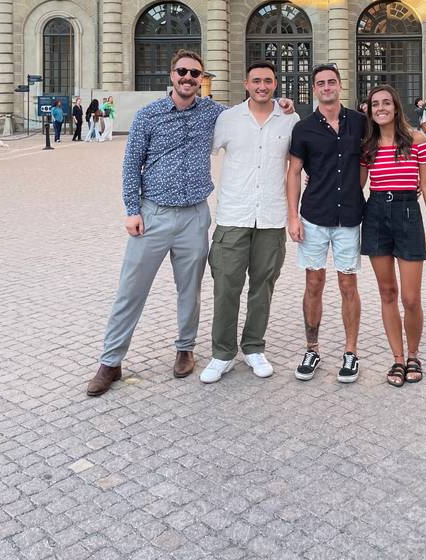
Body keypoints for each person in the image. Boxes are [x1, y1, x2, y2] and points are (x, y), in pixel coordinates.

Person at [86, 50, 294, 397]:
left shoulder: (216, 114)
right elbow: (131, 163)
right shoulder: (148, 115)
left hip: (195, 216)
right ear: (172, 74)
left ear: (202, 79)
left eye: (195, 74)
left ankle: (185, 349)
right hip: (153, 214)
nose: (188, 78)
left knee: (191, 290)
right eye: (182, 72)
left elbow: (254, 116)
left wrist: (284, 105)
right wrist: (132, 209)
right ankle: (111, 360)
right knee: (130, 290)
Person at [200, 61, 300, 384]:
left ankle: (254, 346)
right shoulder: (227, 119)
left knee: (263, 286)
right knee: (226, 285)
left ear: (275, 84)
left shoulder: (290, 119)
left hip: (271, 216)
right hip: (234, 215)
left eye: (268, 81)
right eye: (256, 81)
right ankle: (222, 353)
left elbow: (297, 167)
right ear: (246, 84)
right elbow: (204, 150)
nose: (262, 86)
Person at [286, 64, 367, 384]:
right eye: (320, 83)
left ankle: (350, 351)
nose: (327, 87)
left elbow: (372, 159)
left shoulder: (360, 123)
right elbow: (293, 172)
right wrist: (293, 216)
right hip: (314, 216)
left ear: (340, 85)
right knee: (314, 284)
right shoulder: (304, 128)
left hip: (349, 216)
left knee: (349, 285)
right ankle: (312, 348)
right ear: (315, 89)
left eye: (331, 82)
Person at [360, 85, 426, 387]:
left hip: (408, 214)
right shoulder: (368, 146)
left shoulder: (417, 141)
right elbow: (359, 184)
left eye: (386, 103)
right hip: (376, 213)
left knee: (411, 298)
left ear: (396, 107)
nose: (380, 108)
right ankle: (396, 358)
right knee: (388, 293)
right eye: (375, 104)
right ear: (369, 109)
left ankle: (413, 354)